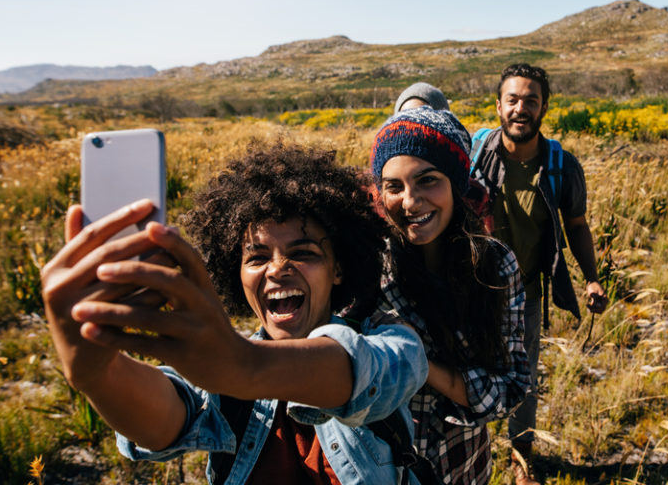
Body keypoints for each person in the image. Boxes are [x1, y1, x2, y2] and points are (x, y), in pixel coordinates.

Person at [40, 143, 429, 484]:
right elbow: (165, 420)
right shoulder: (219, 370)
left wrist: (244, 367)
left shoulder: (390, 341)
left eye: (303, 253)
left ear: (338, 269)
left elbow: (371, 373)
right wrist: (98, 373)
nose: (277, 269)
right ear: (235, 273)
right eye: (257, 257)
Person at [370, 107, 530, 484]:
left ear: (457, 183)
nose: (410, 201)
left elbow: (510, 388)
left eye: (427, 180)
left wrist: (417, 361)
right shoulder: (369, 269)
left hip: (463, 465)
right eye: (394, 186)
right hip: (381, 469)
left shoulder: (494, 265)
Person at [469, 63, 609, 485]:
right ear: (498, 105)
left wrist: (591, 276)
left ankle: (520, 456)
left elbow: (578, 225)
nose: (521, 108)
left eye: (531, 100)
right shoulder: (473, 157)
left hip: (526, 293)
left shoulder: (560, 166)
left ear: (544, 107)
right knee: (468, 369)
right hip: (473, 289)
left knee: (524, 376)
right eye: (513, 100)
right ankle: (470, 448)